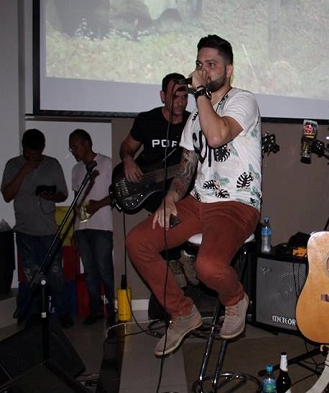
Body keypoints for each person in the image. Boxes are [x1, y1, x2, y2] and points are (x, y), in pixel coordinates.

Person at [126, 34, 262, 357]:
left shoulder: (244, 101)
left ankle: (236, 299)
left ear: (229, 70)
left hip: (237, 203)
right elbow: (187, 168)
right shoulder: (193, 120)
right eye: (199, 64)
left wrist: (200, 92)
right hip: (199, 201)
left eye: (211, 64)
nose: (202, 71)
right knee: (138, 242)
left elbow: (215, 136)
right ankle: (183, 312)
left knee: (208, 267)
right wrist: (172, 196)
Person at [118, 72, 196, 320]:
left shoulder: (193, 122)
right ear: (163, 96)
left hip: (179, 190)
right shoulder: (147, 120)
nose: (181, 103)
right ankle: (175, 257)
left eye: (185, 97)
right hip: (149, 189)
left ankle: (183, 254)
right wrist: (128, 160)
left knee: (182, 209)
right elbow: (126, 147)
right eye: (176, 97)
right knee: (161, 217)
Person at [1, 129, 74, 328]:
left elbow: (63, 194)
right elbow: (7, 195)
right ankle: (34, 312)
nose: (32, 157)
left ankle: (63, 312)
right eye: (28, 153)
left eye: (36, 153)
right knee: (32, 275)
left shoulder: (52, 164)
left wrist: (51, 196)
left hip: (49, 231)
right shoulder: (13, 165)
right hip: (25, 231)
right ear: (23, 148)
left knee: (56, 274)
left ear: (42, 149)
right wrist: (23, 172)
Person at [68, 129, 115, 327]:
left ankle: (113, 309)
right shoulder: (76, 170)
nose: (73, 151)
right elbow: (77, 201)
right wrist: (73, 229)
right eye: (71, 148)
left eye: (75, 146)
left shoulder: (107, 163)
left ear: (87, 143)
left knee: (105, 268)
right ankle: (96, 309)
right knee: (90, 271)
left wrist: (98, 204)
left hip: (103, 226)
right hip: (82, 227)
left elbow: (117, 194)